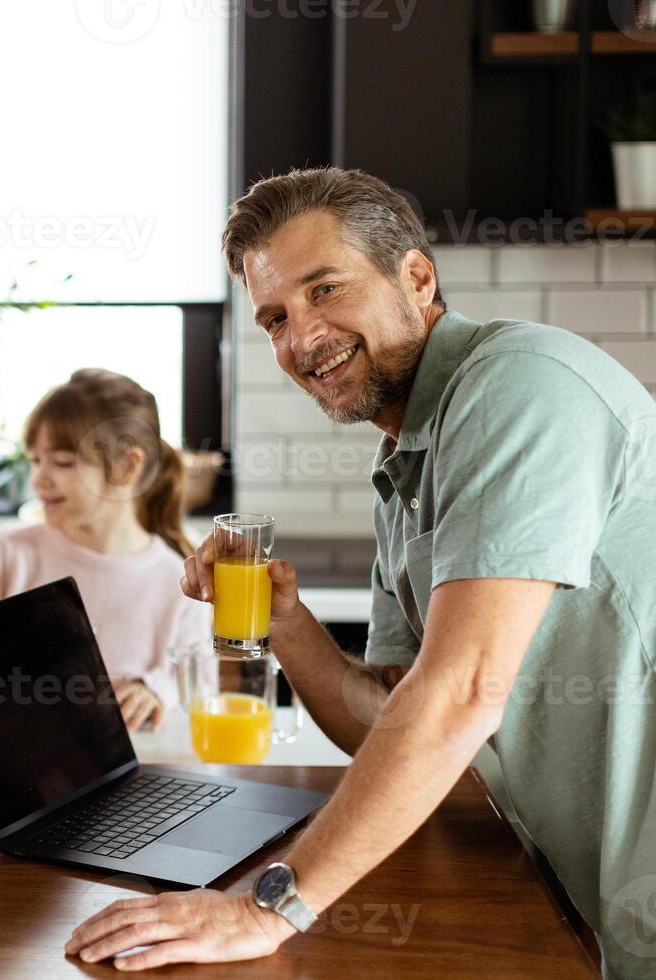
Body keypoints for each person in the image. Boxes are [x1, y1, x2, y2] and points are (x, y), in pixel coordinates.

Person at [65, 167, 656, 976]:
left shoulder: (521, 386)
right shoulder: (406, 467)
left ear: (416, 277)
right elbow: (385, 712)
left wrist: (266, 908)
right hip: (582, 891)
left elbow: (461, 689)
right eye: (275, 317)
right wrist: (286, 622)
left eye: (325, 290)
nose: (301, 338)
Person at [0, 368, 212, 731]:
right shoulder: (2, 555)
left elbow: (202, 692)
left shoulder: (180, 582)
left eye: (63, 462)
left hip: (137, 775)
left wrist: (155, 690)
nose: (39, 478)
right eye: (35, 460)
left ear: (126, 466)